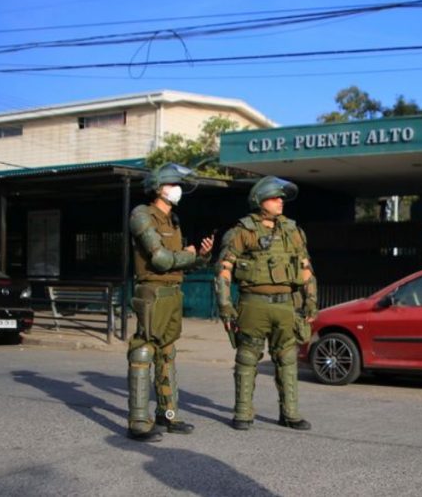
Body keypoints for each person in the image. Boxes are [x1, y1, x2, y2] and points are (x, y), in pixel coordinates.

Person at [214, 175, 317, 431]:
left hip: (285, 306)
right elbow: (224, 269)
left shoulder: (292, 231)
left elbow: (306, 269)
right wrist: (225, 306)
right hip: (253, 304)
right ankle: (242, 413)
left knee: (287, 359)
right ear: (260, 201)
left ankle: (290, 413)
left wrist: (311, 301)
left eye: (281, 197)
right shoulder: (242, 231)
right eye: (274, 197)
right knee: (247, 358)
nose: (280, 201)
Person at [126, 163, 214, 442]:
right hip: (152, 291)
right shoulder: (142, 215)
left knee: (167, 352)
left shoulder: (172, 220)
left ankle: (168, 414)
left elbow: (178, 262)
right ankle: (138, 420)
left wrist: (200, 256)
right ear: (159, 188)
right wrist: (188, 255)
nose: (178, 190)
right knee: (144, 350)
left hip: (173, 291)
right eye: (173, 184)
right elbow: (161, 260)